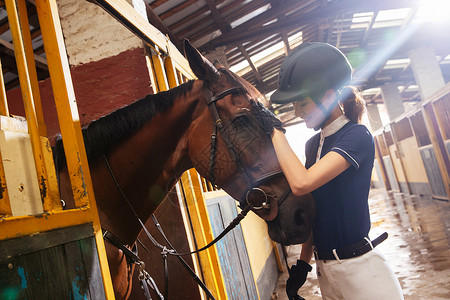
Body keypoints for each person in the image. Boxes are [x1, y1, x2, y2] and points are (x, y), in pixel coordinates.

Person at [266, 42, 404, 300]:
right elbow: (313, 209)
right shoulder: (312, 145)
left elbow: (301, 184)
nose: (296, 113)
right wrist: (304, 265)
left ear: (329, 96)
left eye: (303, 104)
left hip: (362, 272)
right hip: (326, 273)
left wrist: (274, 132)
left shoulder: (357, 135)